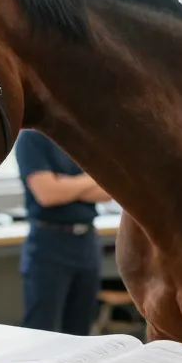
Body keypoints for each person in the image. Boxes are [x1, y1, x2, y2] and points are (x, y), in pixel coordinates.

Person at [14, 129, 112, 335]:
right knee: (40, 329)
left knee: (81, 330)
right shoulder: (32, 137)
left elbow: (107, 191)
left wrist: (63, 184)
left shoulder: (83, 137)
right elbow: (47, 194)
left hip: (87, 242)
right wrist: (91, 179)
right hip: (49, 242)